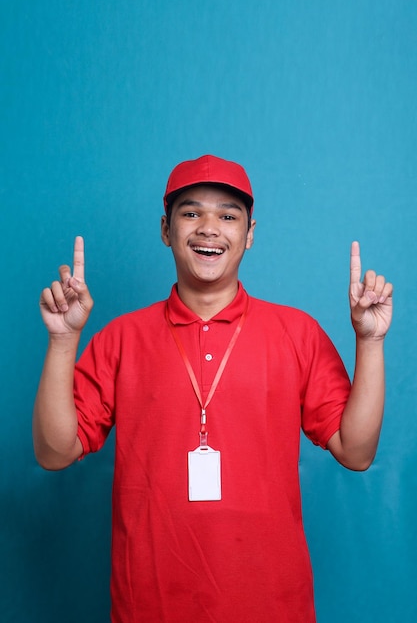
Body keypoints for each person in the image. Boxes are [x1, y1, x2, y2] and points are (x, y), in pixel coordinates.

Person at [33, 154, 393, 623]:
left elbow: (357, 451)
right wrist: (63, 341)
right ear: (166, 230)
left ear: (250, 233)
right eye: (191, 212)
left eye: (228, 215)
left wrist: (370, 342)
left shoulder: (296, 331)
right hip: (150, 604)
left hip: (271, 604)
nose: (209, 227)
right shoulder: (121, 338)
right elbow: (54, 452)